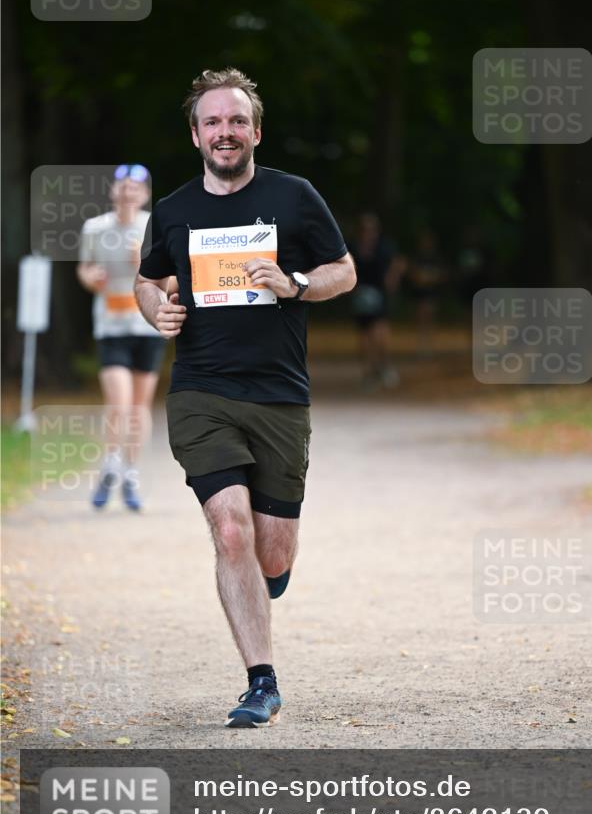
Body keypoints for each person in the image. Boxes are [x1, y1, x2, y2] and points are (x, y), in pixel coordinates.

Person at [135, 68, 356, 728]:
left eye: (236, 121)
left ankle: (267, 576)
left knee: (271, 552)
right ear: (195, 135)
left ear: (256, 131)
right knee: (229, 527)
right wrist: (156, 311)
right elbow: (148, 280)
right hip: (201, 390)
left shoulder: (294, 196)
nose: (224, 132)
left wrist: (295, 284)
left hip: (279, 395)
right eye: (212, 122)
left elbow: (343, 271)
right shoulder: (173, 210)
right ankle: (262, 682)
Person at [77, 165, 166, 512]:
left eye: (135, 188)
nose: (128, 192)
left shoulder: (155, 227)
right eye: (123, 186)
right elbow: (84, 268)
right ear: (114, 191)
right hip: (111, 326)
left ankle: (130, 472)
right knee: (119, 403)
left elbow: (171, 277)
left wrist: (144, 263)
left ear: (145, 195)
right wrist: (91, 278)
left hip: (146, 325)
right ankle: (110, 462)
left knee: (140, 407)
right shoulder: (95, 228)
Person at [348, 212, 404, 390]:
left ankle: (384, 366)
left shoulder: (384, 246)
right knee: (365, 335)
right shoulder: (353, 247)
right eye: (365, 229)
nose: (368, 233)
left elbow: (398, 263)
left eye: (371, 229)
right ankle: (368, 372)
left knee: (381, 333)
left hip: (380, 293)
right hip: (361, 295)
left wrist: (392, 279)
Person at [406, 227, 448, 358]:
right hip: (420, 294)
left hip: (432, 293)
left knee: (430, 318)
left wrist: (429, 278)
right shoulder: (418, 257)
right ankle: (422, 344)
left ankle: (430, 345)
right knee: (420, 319)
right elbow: (413, 274)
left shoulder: (436, 258)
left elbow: (443, 275)